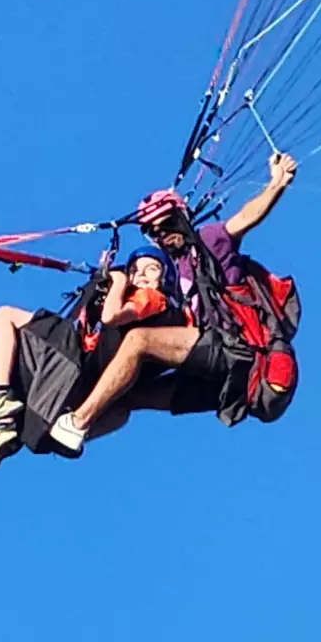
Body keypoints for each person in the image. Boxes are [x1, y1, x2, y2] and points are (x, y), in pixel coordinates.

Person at [46, 149, 297, 456]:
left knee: (140, 341)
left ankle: (77, 422)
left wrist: (277, 184)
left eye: (165, 224)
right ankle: (55, 436)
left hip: (233, 349)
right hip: (215, 378)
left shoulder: (209, 241)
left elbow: (244, 218)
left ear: (180, 216)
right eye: (154, 233)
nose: (162, 235)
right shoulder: (171, 273)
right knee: (126, 395)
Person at [0, 246, 181, 471]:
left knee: (5, 316)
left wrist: (119, 280)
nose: (141, 274)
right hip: (82, 369)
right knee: (23, 355)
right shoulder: (138, 302)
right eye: (134, 269)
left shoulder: (153, 297)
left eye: (151, 269)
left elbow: (111, 316)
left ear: (165, 277)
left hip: (76, 357)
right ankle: (5, 427)